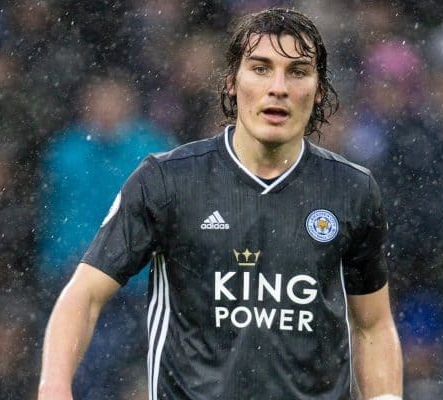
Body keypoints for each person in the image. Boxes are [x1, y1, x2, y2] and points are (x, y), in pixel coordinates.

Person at [38, 8, 403, 400]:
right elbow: (84, 295)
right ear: (231, 82)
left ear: (317, 89)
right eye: (260, 68)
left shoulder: (352, 190)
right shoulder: (167, 181)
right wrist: (54, 386)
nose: (277, 87)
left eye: (297, 71)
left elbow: (372, 325)